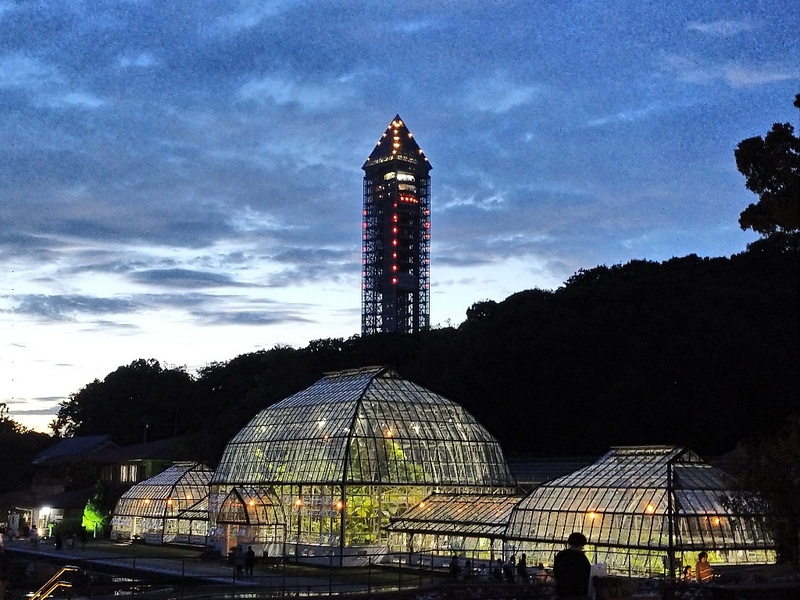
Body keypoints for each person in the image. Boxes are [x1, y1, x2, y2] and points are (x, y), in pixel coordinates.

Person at [553, 532, 591, 599]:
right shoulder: (581, 558)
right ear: (581, 545)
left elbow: (556, 571)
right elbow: (588, 573)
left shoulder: (561, 555)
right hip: (578, 591)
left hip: (562, 590)